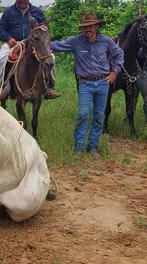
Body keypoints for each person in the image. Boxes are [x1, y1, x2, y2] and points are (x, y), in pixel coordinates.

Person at [50, 13, 124, 158]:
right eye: (85, 27)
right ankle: (78, 148)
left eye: (91, 26)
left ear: (96, 26)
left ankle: (93, 148)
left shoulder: (106, 41)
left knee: (98, 116)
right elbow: (56, 45)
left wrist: (115, 72)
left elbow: (119, 54)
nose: (88, 29)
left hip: (103, 83)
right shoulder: (76, 41)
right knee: (83, 114)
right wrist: (38, 39)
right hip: (85, 83)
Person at [0, 0, 60, 101]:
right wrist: (8, 38)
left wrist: (44, 31)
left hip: (34, 43)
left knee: (51, 58)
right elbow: (0, 29)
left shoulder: (37, 12)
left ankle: (49, 88)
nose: (22, 1)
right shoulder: (9, 12)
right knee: (1, 57)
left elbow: (44, 28)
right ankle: (2, 88)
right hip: (14, 43)